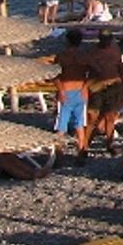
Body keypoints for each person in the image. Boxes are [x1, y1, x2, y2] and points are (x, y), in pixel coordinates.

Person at [84, 29, 123, 154]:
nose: (106, 42)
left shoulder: (115, 50)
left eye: (108, 39)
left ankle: (109, 144)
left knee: (110, 118)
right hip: (96, 87)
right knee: (92, 118)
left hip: (113, 86)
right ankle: (85, 147)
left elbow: (120, 68)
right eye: (104, 39)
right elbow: (87, 70)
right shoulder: (92, 52)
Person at [53, 27, 93, 158]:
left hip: (66, 91)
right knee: (79, 125)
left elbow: (55, 76)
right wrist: (85, 87)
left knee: (61, 126)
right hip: (80, 92)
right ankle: (81, 151)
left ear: (67, 41)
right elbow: (93, 74)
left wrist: (61, 91)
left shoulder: (62, 56)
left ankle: (59, 154)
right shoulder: (85, 57)